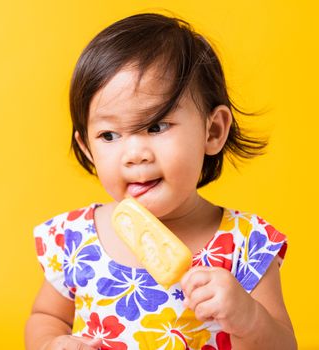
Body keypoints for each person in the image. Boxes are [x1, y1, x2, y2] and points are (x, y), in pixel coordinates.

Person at [25, 13, 296, 350]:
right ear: (87, 148)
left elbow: (284, 345)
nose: (134, 153)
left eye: (156, 126)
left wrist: (249, 318)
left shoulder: (244, 244)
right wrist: (52, 343)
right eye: (109, 135)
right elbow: (46, 317)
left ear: (212, 131)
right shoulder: (75, 239)